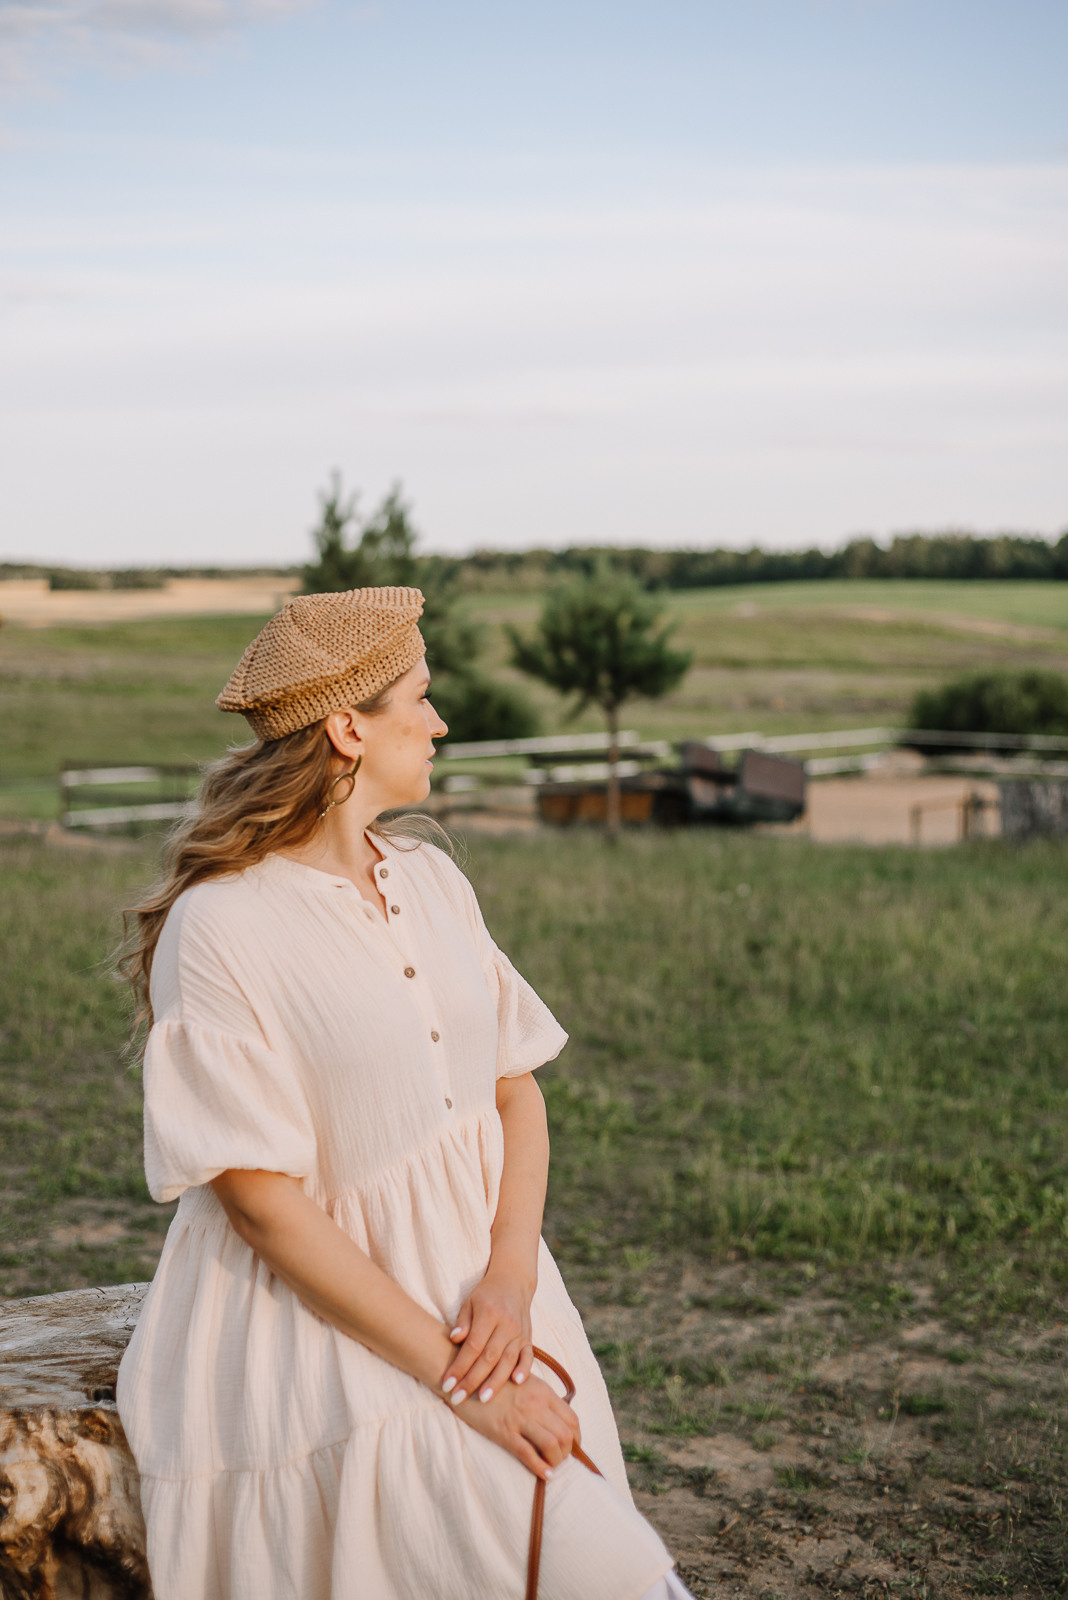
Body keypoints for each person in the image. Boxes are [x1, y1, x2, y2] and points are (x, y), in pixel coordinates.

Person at [116, 586, 694, 1600]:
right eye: (420, 697)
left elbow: (515, 1091)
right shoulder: (223, 926)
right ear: (347, 727)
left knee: (601, 1552)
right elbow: (258, 1201)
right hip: (320, 1331)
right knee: (601, 1571)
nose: (440, 721)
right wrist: (452, 1377)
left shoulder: (431, 878)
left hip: (493, 1303)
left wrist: (510, 1278)